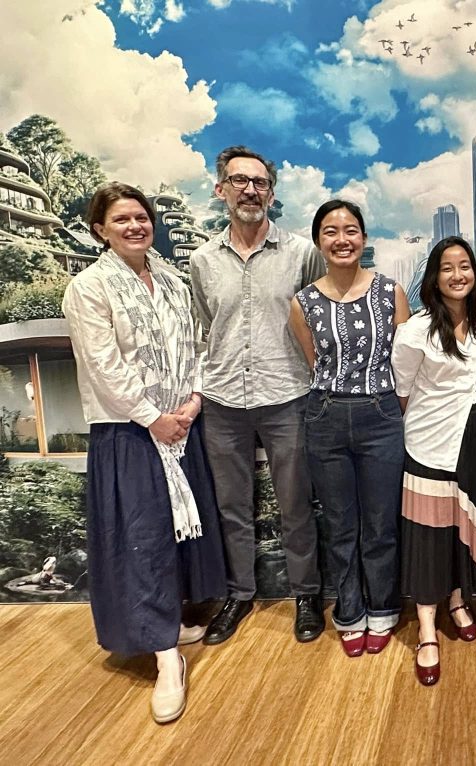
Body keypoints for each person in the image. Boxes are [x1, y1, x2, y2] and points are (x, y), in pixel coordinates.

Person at [62, 182, 226, 723]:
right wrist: (153, 417)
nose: (135, 226)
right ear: (100, 230)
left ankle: (171, 621)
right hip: (130, 432)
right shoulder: (89, 288)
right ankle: (163, 655)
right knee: (143, 541)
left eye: (141, 217)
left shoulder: (173, 281)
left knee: (178, 535)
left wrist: (193, 400)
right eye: (121, 219)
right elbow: (103, 365)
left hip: (181, 423)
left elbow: (199, 345)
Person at [190, 146, 326, 645]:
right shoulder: (202, 260)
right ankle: (239, 594)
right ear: (220, 189)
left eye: (260, 182)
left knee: (295, 504)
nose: (250, 190)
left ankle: (306, 594)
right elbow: (207, 324)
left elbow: (316, 318)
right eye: (238, 181)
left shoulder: (301, 254)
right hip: (223, 399)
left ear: (271, 192)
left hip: (286, 394)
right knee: (232, 506)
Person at [288, 200, 410, 657]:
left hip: (381, 415)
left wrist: (389, 408)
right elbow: (314, 362)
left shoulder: (391, 292)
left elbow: (404, 363)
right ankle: (350, 611)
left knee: (380, 523)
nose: (342, 239)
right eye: (331, 231)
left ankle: (383, 606)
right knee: (339, 524)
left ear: (363, 237)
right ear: (319, 241)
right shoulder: (303, 303)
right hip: (325, 416)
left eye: (351, 230)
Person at [392, 236, 476, 686]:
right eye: (447, 267)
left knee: (461, 529)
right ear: (434, 278)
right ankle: (426, 628)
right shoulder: (415, 330)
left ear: (475, 273)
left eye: (465, 266)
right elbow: (403, 391)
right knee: (427, 535)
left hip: (474, 441)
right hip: (428, 444)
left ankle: (458, 600)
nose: (458, 275)